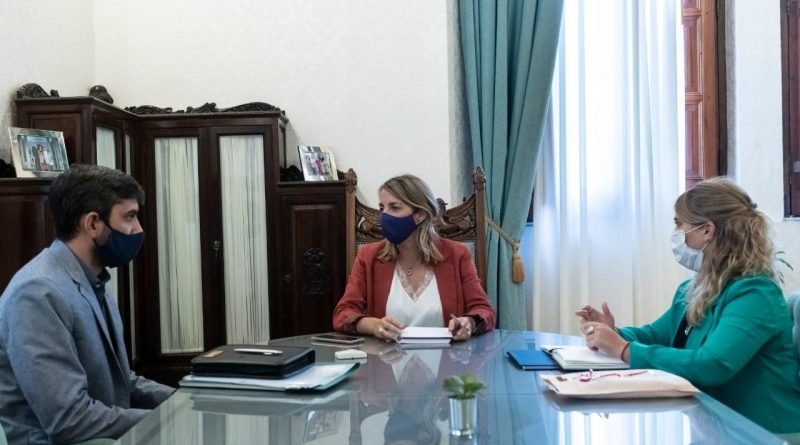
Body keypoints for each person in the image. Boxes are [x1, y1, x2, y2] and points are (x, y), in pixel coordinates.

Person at [575, 177, 800, 434]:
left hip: (765, 433)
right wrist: (613, 333)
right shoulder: (694, 288)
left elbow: (712, 365)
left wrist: (624, 349)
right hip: (716, 425)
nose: (676, 234)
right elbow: (655, 335)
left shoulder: (755, 294)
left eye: (679, 224)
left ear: (707, 230)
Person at [0, 164, 174, 444]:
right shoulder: (38, 292)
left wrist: (186, 401)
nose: (138, 230)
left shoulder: (92, 280)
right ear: (92, 223)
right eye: (129, 217)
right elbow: (70, 420)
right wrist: (169, 420)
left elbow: (123, 383)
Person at [333, 174, 496, 341]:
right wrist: (373, 325)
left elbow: (484, 310)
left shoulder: (458, 254)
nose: (384, 216)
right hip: (386, 354)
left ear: (420, 215)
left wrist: (469, 322)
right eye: (382, 208)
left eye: (394, 207)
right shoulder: (368, 256)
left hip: (447, 354)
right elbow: (343, 314)